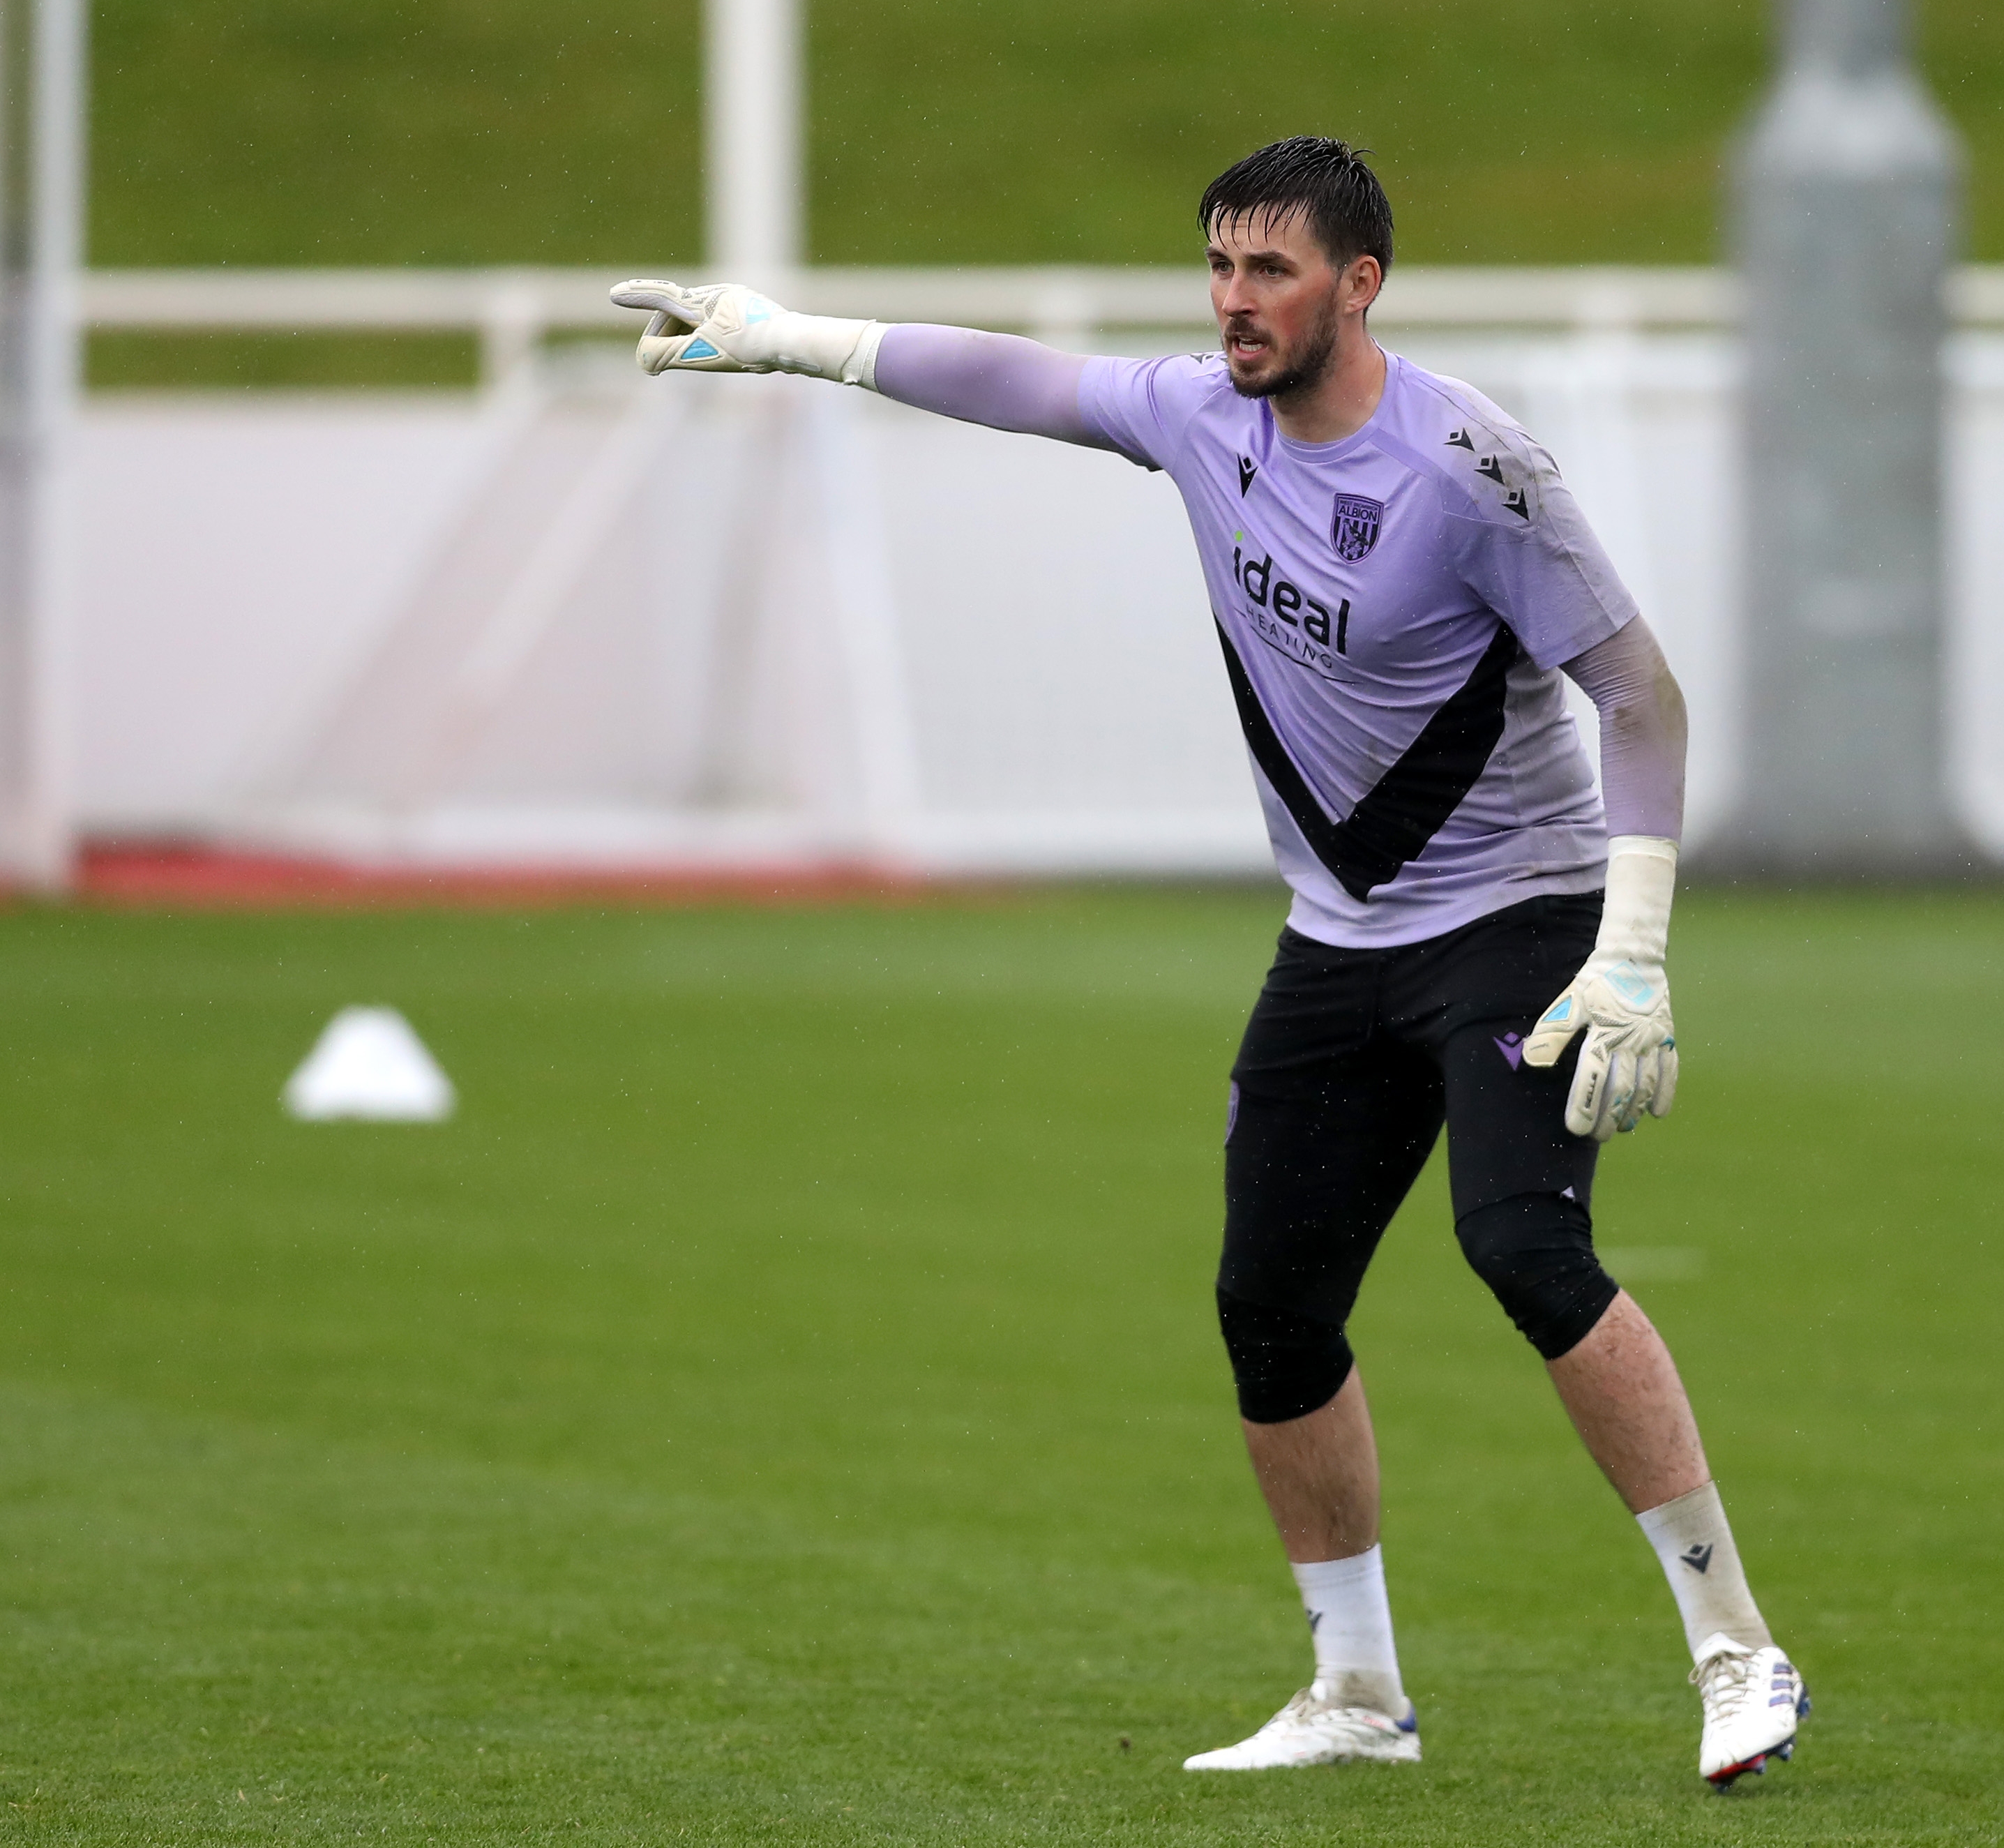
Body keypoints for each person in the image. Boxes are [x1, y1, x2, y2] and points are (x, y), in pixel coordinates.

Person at [608, 137, 1806, 1789]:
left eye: (1272, 272)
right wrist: (784, 332)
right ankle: (1357, 1690)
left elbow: (1642, 697)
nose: (1235, 304)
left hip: (1516, 916)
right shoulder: (1198, 417)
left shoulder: (1472, 467)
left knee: (1521, 1245)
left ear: (1359, 283)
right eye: (1220, 268)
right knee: (1269, 1305)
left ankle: (1735, 1647)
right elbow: (1019, 379)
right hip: (1337, 938)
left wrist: (1636, 953)